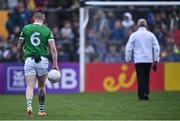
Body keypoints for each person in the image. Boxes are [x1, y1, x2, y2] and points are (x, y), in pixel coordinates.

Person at [17, 10, 59, 117]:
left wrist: (23, 53)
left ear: (33, 18)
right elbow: (53, 49)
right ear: (43, 18)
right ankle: (41, 110)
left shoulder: (26, 28)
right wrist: (55, 65)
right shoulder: (47, 30)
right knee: (41, 86)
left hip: (29, 60)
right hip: (42, 60)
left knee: (30, 86)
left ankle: (29, 107)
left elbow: (19, 46)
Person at [125, 19, 160, 100]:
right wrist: (156, 59)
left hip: (139, 60)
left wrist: (128, 58)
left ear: (138, 25)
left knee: (140, 77)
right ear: (146, 25)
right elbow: (156, 48)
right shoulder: (151, 35)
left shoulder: (134, 35)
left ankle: (141, 95)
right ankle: (146, 93)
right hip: (148, 59)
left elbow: (128, 47)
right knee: (146, 76)